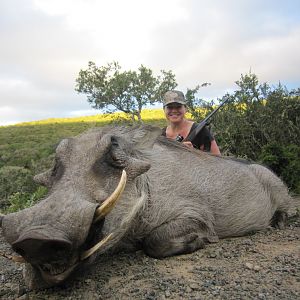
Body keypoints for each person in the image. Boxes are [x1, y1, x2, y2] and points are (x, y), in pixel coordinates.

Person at [162, 90, 221, 156]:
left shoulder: (201, 131)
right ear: (164, 109)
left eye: (178, 106)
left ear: (185, 108)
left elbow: (218, 160)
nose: (174, 110)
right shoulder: (161, 135)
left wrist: (194, 153)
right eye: (170, 107)